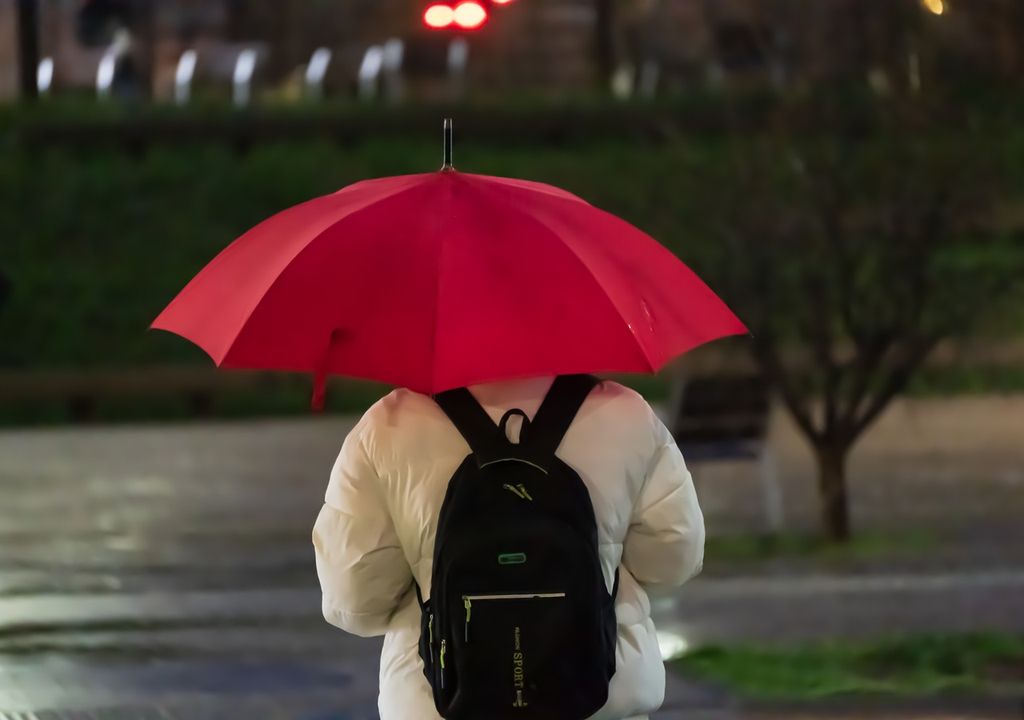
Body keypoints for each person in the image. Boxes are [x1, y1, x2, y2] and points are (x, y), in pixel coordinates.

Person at [313, 375, 705, 720]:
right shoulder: (624, 415)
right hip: (597, 698)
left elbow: (355, 601)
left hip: (438, 703)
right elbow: (672, 561)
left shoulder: (389, 426)